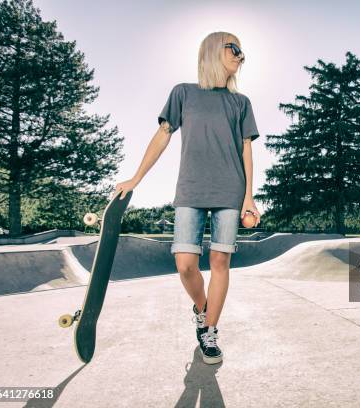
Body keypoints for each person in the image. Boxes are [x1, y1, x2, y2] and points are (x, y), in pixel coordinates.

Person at [112, 32, 261, 364]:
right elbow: (162, 136)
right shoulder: (183, 94)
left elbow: (246, 149)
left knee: (221, 262)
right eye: (234, 48)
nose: (240, 56)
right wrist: (136, 178)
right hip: (191, 189)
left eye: (242, 53)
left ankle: (209, 331)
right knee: (185, 265)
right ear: (212, 51)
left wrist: (248, 196)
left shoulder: (241, 102)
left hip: (230, 190)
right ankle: (202, 307)